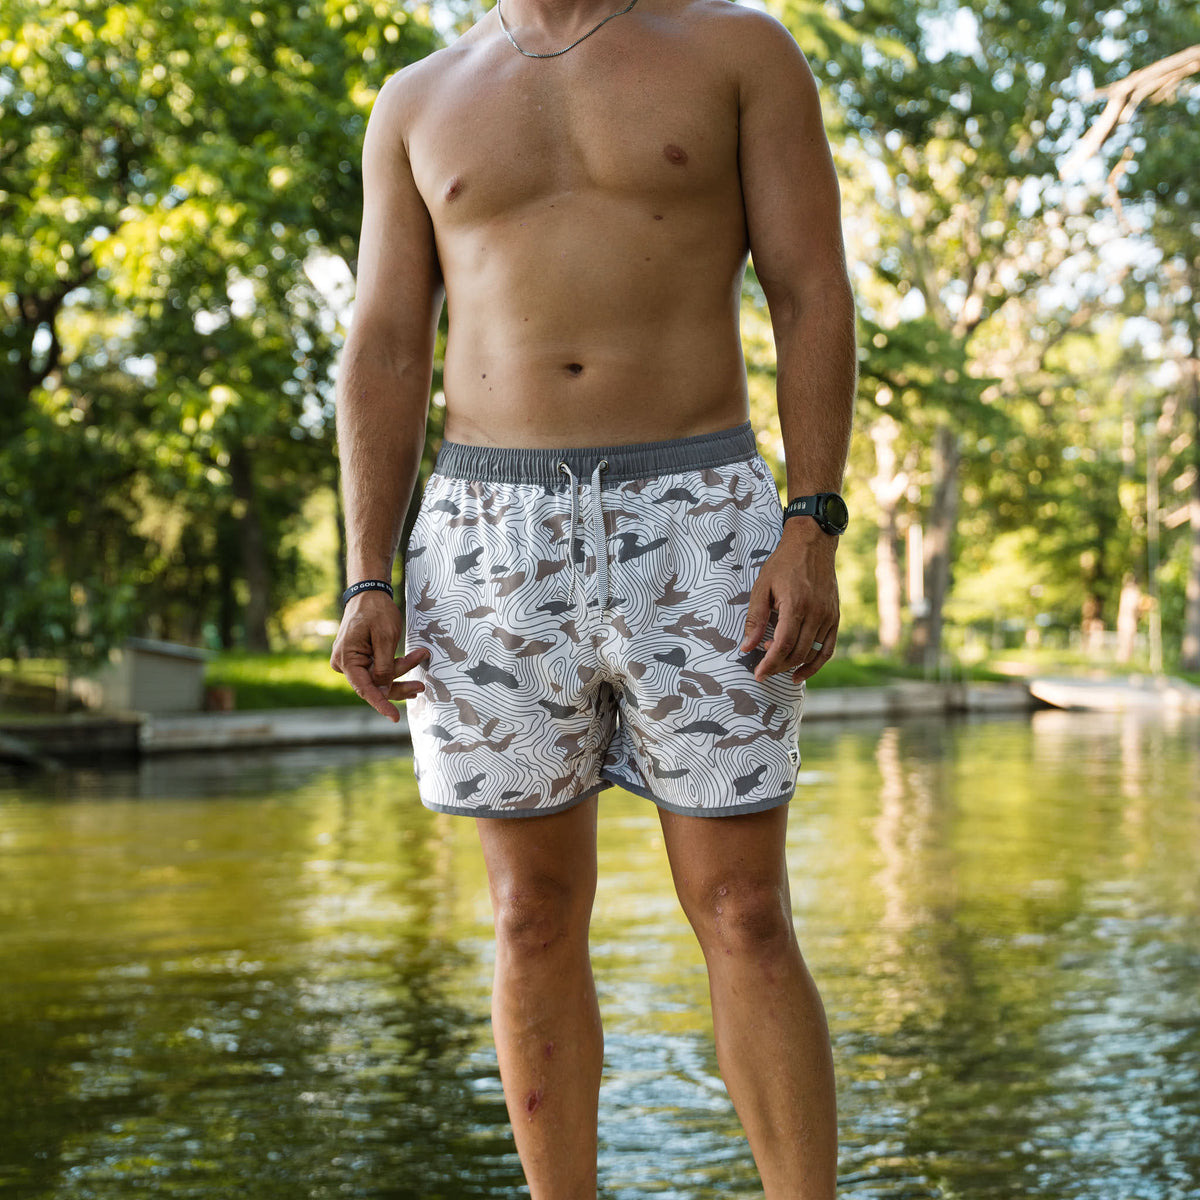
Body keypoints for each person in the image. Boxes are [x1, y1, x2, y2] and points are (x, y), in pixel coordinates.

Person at [329, 0, 856, 1194]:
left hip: (702, 515)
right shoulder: (416, 98)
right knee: (528, 919)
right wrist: (369, 571)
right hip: (485, 538)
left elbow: (810, 287)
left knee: (744, 911)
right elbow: (386, 342)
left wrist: (810, 522)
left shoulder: (738, 51)